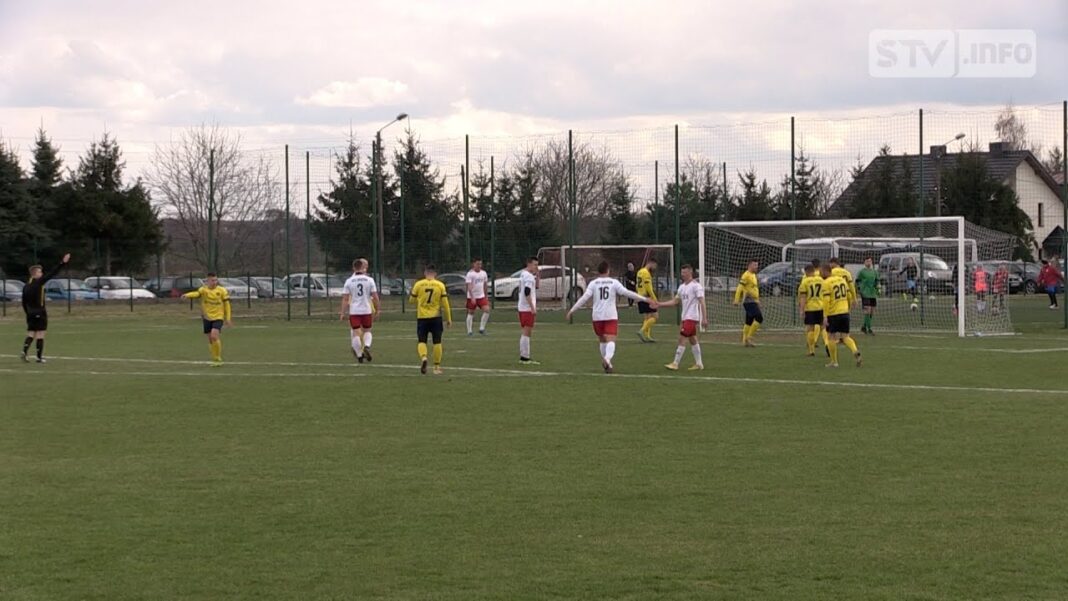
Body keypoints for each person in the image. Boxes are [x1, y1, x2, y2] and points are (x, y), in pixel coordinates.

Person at [566, 261, 653, 373]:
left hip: (597, 316)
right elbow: (627, 293)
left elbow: (584, 298)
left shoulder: (593, 283)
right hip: (610, 315)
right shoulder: (613, 282)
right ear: (608, 270)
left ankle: (608, 363)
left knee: (602, 340)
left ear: (598, 271)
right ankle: (607, 359)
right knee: (611, 339)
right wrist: (645, 299)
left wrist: (572, 310)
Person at [19, 252, 71, 363]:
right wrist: (62, 263)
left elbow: (23, 302)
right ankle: (39, 357)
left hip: (30, 313)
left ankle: (24, 351)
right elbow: (52, 273)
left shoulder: (25, 286)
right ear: (35, 274)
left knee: (31, 333)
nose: (42, 273)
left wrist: (27, 312)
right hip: (40, 312)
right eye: (40, 272)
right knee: (40, 334)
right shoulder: (39, 283)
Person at [658, 264, 707, 371]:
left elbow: (702, 302)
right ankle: (699, 364)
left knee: (682, 338)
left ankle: (675, 363)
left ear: (690, 272)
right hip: (685, 317)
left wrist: (704, 318)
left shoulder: (696, 286)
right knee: (693, 339)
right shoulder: (681, 287)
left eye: (685, 272)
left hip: (692, 317)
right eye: (682, 272)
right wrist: (660, 304)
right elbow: (675, 301)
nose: (682, 274)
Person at [182, 273, 233, 367]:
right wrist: (188, 295)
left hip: (218, 317)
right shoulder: (203, 290)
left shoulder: (222, 290)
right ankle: (214, 359)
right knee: (210, 339)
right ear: (207, 281)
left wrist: (228, 318)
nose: (214, 282)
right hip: (207, 317)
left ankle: (218, 358)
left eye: (216, 280)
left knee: (214, 336)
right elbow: (197, 294)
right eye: (212, 280)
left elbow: (227, 305)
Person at [409, 264, 452, 375]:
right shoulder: (440, 285)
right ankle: (436, 367)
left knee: (422, 340)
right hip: (436, 317)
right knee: (437, 341)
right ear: (435, 274)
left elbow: (411, 301)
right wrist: (449, 318)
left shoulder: (418, 284)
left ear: (425, 273)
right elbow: (445, 304)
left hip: (422, 317)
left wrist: (419, 300)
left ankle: (424, 358)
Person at [820, 264, 862, 368]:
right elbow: (848, 294)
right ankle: (855, 351)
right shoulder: (841, 280)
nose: (820, 274)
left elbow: (826, 300)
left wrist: (825, 316)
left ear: (826, 272)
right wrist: (849, 305)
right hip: (844, 312)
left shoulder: (826, 283)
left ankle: (834, 362)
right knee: (845, 336)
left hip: (833, 313)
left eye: (821, 272)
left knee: (831, 337)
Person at [340, 258, 379, 364]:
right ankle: (366, 346)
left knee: (356, 333)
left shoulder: (349, 281)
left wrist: (342, 312)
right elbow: (375, 297)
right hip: (366, 309)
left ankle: (359, 355)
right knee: (367, 331)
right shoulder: (369, 280)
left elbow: (345, 299)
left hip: (354, 311)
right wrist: (378, 309)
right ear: (363, 267)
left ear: (354, 268)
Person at [733, 259, 762, 347]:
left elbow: (754, 289)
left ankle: (745, 341)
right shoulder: (746, 275)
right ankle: (749, 337)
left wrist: (758, 301)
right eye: (754, 265)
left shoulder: (753, 275)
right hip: (748, 301)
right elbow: (740, 288)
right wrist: (736, 300)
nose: (756, 267)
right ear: (749, 266)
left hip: (753, 301)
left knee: (748, 321)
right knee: (759, 318)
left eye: (757, 265)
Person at [797, 264, 824, 356]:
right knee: (823, 327)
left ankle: (811, 351)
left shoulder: (805, 282)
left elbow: (803, 297)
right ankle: (828, 345)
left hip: (810, 308)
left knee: (810, 328)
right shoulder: (821, 280)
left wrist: (801, 309)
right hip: (821, 306)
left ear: (806, 272)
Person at [517, 257, 540, 365]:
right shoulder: (529, 276)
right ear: (529, 264)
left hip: (522, 307)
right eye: (535, 265)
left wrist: (538, 277)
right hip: (527, 308)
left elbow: (535, 287)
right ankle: (524, 357)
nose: (537, 267)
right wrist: (532, 307)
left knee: (526, 331)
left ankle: (524, 356)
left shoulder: (523, 274)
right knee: (527, 332)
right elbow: (527, 292)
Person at [464, 258, 491, 336]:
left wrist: (486, 296)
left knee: (487, 310)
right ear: (474, 264)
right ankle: (469, 331)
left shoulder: (483, 273)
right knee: (471, 313)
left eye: (480, 264)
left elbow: (485, 285)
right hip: (472, 296)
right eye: (477, 264)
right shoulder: (470, 274)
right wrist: (472, 297)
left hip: (481, 296)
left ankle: (481, 328)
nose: (479, 266)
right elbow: (469, 286)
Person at [635, 258, 658, 342]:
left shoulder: (639, 272)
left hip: (640, 296)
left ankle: (647, 336)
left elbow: (637, 285)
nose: (655, 268)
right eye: (654, 265)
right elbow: (648, 287)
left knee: (647, 317)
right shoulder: (646, 273)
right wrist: (654, 298)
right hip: (647, 297)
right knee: (655, 316)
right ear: (651, 263)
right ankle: (642, 331)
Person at [855, 257, 880, 334]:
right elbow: (857, 281)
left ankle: (864, 326)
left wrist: (878, 289)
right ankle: (869, 328)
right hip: (865, 293)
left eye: (870, 261)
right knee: (867, 310)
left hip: (872, 293)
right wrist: (859, 289)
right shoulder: (861, 272)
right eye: (867, 261)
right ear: (864, 263)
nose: (869, 262)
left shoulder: (875, 272)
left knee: (872, 311)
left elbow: (877, 281)